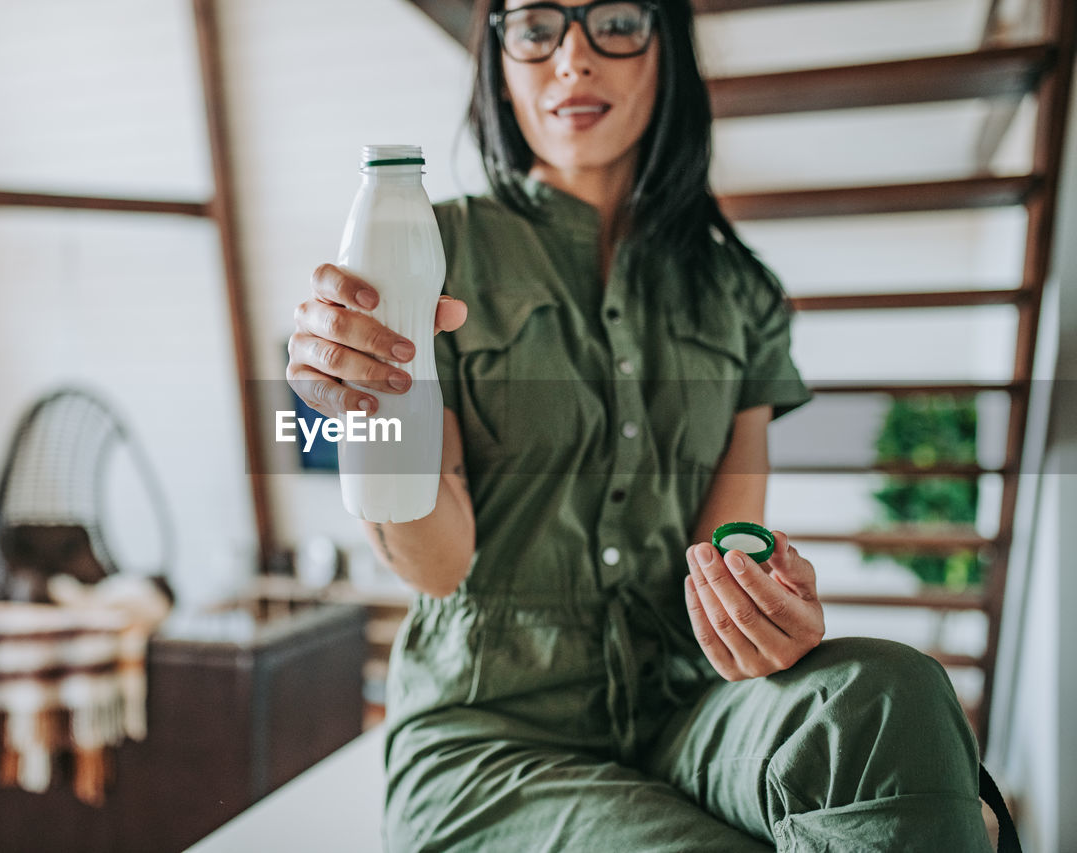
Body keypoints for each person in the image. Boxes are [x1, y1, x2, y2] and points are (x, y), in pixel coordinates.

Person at [287, 0, 995, 850]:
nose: (574, 58)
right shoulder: (434, 249)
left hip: (684, 712)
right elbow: (439, 566)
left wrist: (765, 612)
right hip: (490, 735)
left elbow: (727, 546)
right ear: (499, 62)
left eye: (614, 20)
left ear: (666, 46)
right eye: (537, 25)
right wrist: (370, 423)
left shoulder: (741, 294)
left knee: (893, 696)